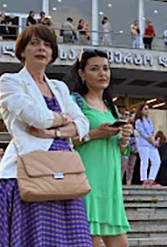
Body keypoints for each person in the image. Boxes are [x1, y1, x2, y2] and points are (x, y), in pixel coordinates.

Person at [0, 23, 91, 246]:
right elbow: (36, 116)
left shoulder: (60, 87)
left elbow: (83, 124)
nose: (41, 48)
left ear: (52, 52)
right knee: (33, 238)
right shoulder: (10, 81)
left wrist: (56, 131)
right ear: (22, 50)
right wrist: (63, 118)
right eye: (34, 43)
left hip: (64, 170)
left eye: (46, 44)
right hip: (28, 168)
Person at [67, 48, 132, 247]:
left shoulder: (111, 107)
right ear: (82, 73)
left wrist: (124, 138)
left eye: (106, 68)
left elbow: (121, 150)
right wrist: (95, 134)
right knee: (90, 242)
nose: (102, 73)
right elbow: (66, 140)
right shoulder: (74, 102)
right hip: (87, 183)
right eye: (94, 69)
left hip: (110, 186)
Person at [134, 104, 160, 186]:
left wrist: (153, 141)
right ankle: (144, 179)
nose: (147, 111)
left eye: (148, 109)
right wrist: (152, 140)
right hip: (143, 144)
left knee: (157, 161)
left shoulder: (149, 121)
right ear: (141, 110)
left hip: (151, 144)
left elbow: (151, 132)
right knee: (144, 161)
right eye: (145, 109)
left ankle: (151, 178)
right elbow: (143, 133)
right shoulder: (138, 121)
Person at [121, 110, 138, 186]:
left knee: (131, 166)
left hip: (133, 148)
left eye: (129, 115)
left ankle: (129, 182)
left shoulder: (134, 127)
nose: (127, 116)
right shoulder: (122, 125)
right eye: (125, 114)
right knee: (123, 165)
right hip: (125, 147)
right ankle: (120, 181)